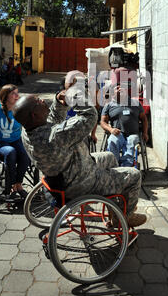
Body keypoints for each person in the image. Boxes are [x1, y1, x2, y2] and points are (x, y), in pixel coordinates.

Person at [13, 75, 147, 227]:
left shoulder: (28, 131)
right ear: (34, 114)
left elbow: (52, 118)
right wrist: (75, 97)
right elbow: (90, 116)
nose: (43, 100)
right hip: (83, 181)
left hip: (68, 174)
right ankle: (124, 217)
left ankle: (115, 203)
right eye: (38, 101)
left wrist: (58, 100)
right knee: (134, 174)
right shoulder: (56, 136)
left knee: (110, 157)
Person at [100, 82, 149, 167]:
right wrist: (111, 130)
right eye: (116, 88)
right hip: (117, 133)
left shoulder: (135, 103)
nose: (119, 88)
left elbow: (144, 119)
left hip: (133, 133)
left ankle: (126, 167)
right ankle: (114, 166)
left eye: (121, 87)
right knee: (112, 141)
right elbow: (102, 122)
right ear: (112, 93)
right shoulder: (109, 105)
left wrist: (145, 133)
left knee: (131, 142)